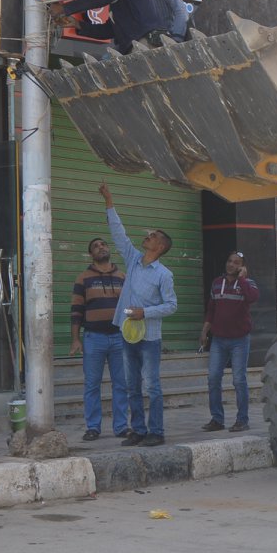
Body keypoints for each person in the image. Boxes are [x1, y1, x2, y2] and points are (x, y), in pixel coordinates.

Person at [100, 182, 177, 447]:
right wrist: (109, 200)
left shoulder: (164, 275)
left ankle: (157, 431)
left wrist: (146, 312)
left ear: (160, 247)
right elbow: (119, 234)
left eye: (153, 235)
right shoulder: (133, 259)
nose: (148, 235)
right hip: (127, 333)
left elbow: (172, 305)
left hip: (150, 338)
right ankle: (138, 430)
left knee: (152, 386)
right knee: (131, 385)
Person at [70, 236, 127, 441]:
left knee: (121, 384)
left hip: (120, 338)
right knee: (92, 384)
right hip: (94, 339)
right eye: (96, 246)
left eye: (103, 244)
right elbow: (76, 310)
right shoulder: (83, 278)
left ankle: (121, 427)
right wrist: (75, 339)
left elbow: (130, 306)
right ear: (91, 254)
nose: (101, 247)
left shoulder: (122, 276)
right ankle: (93, 427)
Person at [199, 251, 258, 432]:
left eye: (236, 262)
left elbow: (252, 298)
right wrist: (204, 331)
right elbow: (211, 310)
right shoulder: (217, 283)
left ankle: (242, 420)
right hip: (219, 340)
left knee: (239, 380)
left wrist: (241, 279)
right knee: (213, 378)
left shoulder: (248, 284)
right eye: (229, 261)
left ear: (242, 266)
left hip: (239, 340)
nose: (231, 264)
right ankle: (217, 419)